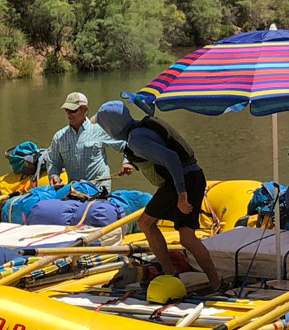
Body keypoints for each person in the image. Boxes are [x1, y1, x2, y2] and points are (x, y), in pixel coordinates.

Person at [95, 99, 222, 291]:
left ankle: (171, 275)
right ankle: (215, 282)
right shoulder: (140, 129)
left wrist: (181, 195)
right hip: (194, 176)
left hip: (182, 181)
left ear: (111, 127)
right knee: (187, 238)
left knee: (145, 223)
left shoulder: (136, 139)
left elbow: (171, 158)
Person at [44, 92, 130, 190]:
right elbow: (54, 161)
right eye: (67, 110)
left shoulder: (100, 129)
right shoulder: (59, 137)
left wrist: (126, 162)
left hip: (99, 188)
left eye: (73, 110)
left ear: (85, 110)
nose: (69, 114)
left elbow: (125, 145)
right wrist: (54, 175)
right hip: (75, 190)